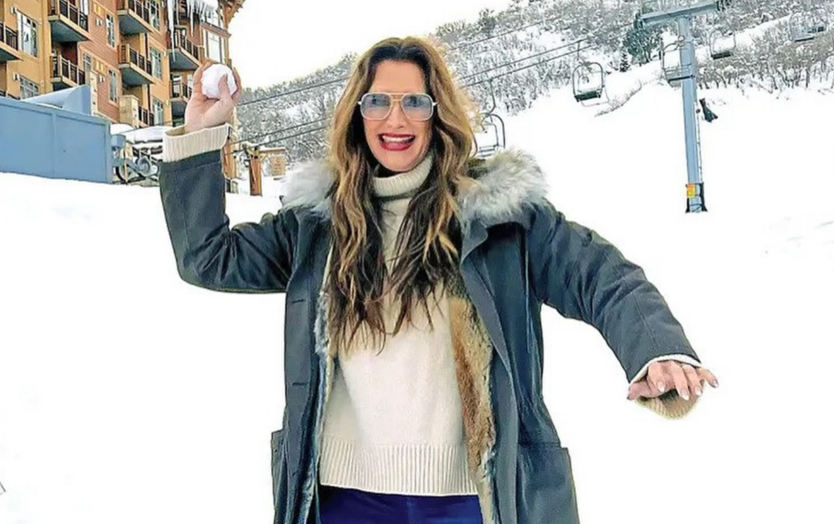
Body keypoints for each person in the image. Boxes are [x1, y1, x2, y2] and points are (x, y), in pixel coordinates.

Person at [158, 37, 719, 524]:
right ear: (358, 112)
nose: (395, 120)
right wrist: (201, 137)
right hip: (342, 498)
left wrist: (657, 348)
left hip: (471, 501)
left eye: (414, 103)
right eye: (378, 101)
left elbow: (602, 276)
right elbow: (207, 257)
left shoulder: (497, 218)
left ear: (437, 113)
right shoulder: (317, 226)